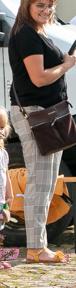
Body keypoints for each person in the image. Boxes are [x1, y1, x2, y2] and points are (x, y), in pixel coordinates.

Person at [8, 0, 76, 264]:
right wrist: (65, 65)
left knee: (46, 181)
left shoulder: (32, 32)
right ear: (27, 5)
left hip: (43, 114)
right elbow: (38, 78)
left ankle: (39, 246)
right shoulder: (27, 35)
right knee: (41, 181)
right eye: (40, 5)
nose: (47, 10)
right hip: (36, 115)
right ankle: (36, 248)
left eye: (50, 5)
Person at [0, 109, 13, 269]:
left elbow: (6, 174)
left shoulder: (3, 153)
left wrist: (10, 194)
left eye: (2, 127)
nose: (0, 132)